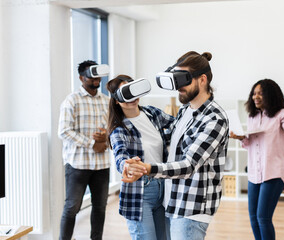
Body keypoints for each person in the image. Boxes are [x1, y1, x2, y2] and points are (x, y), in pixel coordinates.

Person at [124, 51, 229, 240]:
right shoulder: (185, 111)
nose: (179, 87)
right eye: (176, 80)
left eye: (183, 80)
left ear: (202, 79)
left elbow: (189, 165)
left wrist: (147, 169)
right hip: (174, 201)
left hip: (191, 208)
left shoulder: (214, 118)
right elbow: (170, 148)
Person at [229, 79, 284, 240]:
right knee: (254, 217)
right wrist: (241, 137)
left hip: (273, 173)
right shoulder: (252, 117)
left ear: (270, 94)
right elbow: (251, 144)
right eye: (254, 93)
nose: (256, 97)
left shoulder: (281, 114)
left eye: (260, 93)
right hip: (254, 174)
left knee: (263, 217)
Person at [107, 75, 175, 240]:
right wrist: (127, 166)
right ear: (116, 100)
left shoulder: (151, 113)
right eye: (125, 93)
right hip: (139, 192)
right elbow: (120, 155)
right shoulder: (119, 129)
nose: (131, 97)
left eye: (133, 90)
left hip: (162, 187)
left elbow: (178, 126)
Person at [58, 60, 110, 240]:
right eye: (91, 76)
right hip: (78, 164)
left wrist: (106, 138)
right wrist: (91, 143)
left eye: (97, 75)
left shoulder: (107, 100)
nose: (96, 79)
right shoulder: (71, 100)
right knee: (72, 207)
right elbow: (64, 131)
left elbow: (113, 127)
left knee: (100, 207)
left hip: (102, 164)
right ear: (81, 78)